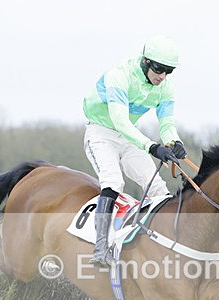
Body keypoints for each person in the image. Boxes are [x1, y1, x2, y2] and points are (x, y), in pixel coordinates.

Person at [82, 35, 187, 267]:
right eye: (159, 69)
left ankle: (163, 248)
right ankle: (100, 250)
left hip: (129, 137)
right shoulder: (120, 75)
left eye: (168, 71)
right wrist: (152, 147)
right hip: (101, 133)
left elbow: (166, 124)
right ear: (146, 61)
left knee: (158, 188)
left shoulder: (165, 88)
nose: (162, 76)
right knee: (114, 183)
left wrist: (174, 142)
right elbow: (120, 121)